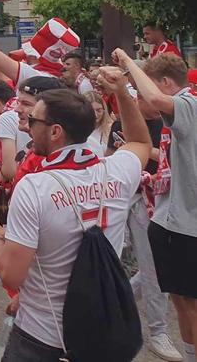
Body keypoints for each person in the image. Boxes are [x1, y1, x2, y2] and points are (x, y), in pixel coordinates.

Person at [0, 76, 152, 361]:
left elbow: (11, 273)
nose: (28, 126)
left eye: (33, 121)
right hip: (101, 332)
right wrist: (121, 90)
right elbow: (139, 141)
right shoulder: (118, 171)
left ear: (56, 131)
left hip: (43, 337)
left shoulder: (35, 187)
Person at [126, 51, 197, 362]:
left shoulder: (189, 103)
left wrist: (129, 63)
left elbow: (155, 100)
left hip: (185, 222)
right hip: (174, 219)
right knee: (182, 300)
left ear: (166, 82)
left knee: (189, 302)